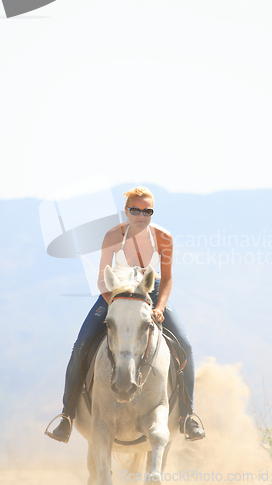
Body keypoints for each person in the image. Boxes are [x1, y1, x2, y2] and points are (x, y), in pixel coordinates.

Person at [46, 186, 205, 443]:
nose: (141, 215)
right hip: (114, 296)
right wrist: (116, 305)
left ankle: (187, 417)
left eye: (147, 210)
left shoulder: (164, 237)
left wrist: (160, 308)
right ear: (127, 211)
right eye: (135, 210)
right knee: (82, 345)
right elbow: (101, 280)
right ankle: (67, 416)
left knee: (184, 346)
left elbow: (167, 280)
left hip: (149, 296)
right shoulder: (113, 236)